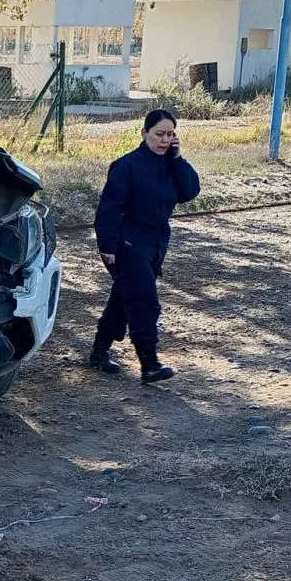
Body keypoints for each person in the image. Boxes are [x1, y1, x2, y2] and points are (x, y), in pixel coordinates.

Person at [89, 108, 200, 384]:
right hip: (126, 243)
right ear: (145, 133)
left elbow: (190, 192)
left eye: (170, 135)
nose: (164, 140)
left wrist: (178, 159)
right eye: (159, 134)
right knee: (144, 302)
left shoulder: (171, 164)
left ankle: (98, 352)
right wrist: (108, 245)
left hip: (155, 244)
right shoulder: (127, 165)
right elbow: (109, 207)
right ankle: (149, 364)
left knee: (123, 300)